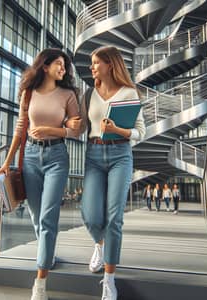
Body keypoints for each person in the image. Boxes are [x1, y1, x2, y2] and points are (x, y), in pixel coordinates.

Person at [0, 48, 80, 300]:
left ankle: (40, 282)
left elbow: (76, 130)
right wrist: (7, 162)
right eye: (58, 64)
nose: (63, 69)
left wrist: (52, 130)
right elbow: (20, 130)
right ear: (45, 66)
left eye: (65, 66)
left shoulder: (68, 94)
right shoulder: (28, 93)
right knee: (36, 216)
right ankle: (48, 254)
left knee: (47, 217)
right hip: (30, 157)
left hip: (57, 158)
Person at [73, 46, 146, 300]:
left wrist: (119, 130)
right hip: (93, 155)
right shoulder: (89, 94)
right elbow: (82, 127)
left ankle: (109, 279)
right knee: (91, 215)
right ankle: (99, 245)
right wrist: (71, 125)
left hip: (121, 155)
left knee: (114, 218)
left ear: (110, 65)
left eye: (95, 63)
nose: (92, 67)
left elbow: (140, 131)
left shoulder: (129, 92)